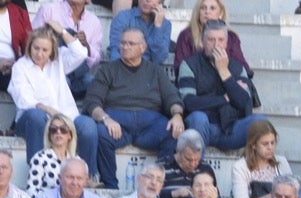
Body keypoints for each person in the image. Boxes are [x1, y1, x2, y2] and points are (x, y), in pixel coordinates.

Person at [82, 27, 181, 189]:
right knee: (100, 133)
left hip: (151, 125)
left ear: (143, 47)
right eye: (122, 43)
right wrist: (106, 119)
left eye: (130, 44)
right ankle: (110, 185)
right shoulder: (108, 70)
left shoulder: (155, 71)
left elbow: (172, 97)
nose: (125, 47)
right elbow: (92, 101)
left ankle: (162, 185)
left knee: (174, 132)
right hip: (118, 124)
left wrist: (177, 115)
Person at [11, 28, 98, 172]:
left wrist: (62, 31)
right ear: (29, 46)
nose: (39, 54)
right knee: (36, 115)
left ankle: (88, 175)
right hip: (33, 121)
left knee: (87, 125)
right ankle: (37, 172)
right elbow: (23, 99)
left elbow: (81, 53)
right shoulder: (20, 66)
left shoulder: (59, 61)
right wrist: (47, 109)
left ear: (52, 51)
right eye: (36, 48)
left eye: (45, 50)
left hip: (66, 118)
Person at [176, 19, 263, 151]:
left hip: (231, 128)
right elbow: (189, 103)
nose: (216, 45)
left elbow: (244, 102)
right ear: (202, 42)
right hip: (203, 128)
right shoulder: (189, 65)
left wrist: (224, 72)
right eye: (211, 40)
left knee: (260, 122)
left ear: (226, 43)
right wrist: (225, 98)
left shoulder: (237, 67)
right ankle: (199, 167)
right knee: (198, 117)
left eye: (221, 40)